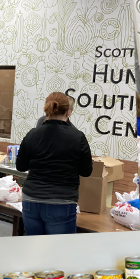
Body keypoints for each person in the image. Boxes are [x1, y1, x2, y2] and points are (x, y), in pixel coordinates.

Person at [16, 93, 93, 235]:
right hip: (61, 202)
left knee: (34, 249)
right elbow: (86, 171)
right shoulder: (77, 137)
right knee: (60, 252)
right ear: (68, 112)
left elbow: (20, 166)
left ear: (46, 109)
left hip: (31, 201)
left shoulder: (32, 134)